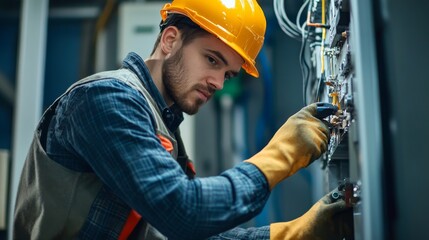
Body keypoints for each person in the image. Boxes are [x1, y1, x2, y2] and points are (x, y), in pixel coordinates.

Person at [13, 0, 353, 239]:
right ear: (170, 39)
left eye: (229, 75)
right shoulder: (106, 99)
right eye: (211, 59)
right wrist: (281, 155)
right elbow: (183, 214)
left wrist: (293, 234)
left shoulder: (161, 123)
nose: (218, 83)